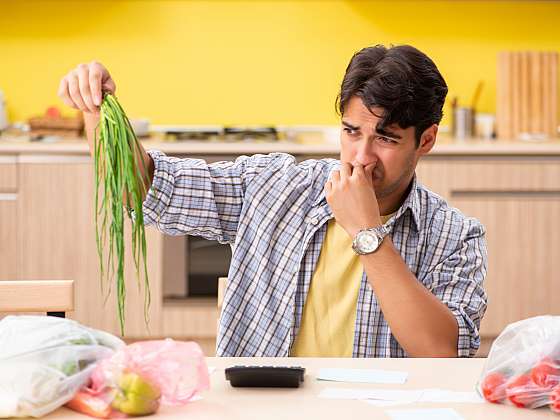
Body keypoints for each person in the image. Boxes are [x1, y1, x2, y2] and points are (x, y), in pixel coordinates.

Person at [58, 44, 487, 358]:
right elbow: (147, 189)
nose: (361, 157)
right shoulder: (274, 186)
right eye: (352, 132)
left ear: (426, 140)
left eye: (386, 139)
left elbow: (441, 354)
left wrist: (367, 232)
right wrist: (100, 111)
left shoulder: (454, 235)